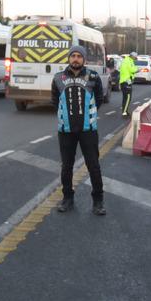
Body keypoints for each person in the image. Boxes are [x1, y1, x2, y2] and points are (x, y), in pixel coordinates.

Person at [51, 45, 107, 215]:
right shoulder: (58, 78)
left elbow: (99, 99)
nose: (75, 59)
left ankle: (98, 201)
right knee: (66, 166)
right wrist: (65, 117)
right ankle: (67, 198)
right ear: (69, 58)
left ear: (84, 59)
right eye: (73, 56)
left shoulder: (93, 77)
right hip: (66, 130)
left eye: (79, 56)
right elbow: (54, 100)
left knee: (93, 166)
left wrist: (87, 117)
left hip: (88, 130)